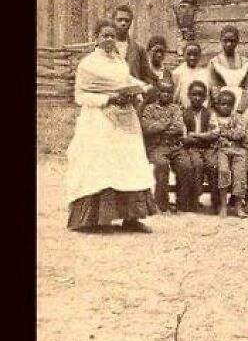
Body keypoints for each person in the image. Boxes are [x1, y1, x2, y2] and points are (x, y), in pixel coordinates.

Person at [64, 18, 156, 233]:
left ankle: (131, 218)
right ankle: (97, 220)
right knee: (102, 165)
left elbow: (127, 82)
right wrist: (108, 99)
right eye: (104, 35)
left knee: (131, 164)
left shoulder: (119, 62)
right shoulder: (88, 64)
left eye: (112, 36)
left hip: (125, 119)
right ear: (96, 38)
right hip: (99, 120)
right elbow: (80, 95)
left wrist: (140, 91)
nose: (108, 39)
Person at [140, 79, 186, 212]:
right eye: (163, 91)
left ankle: (182, 203)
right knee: (162, 165)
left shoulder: (175, 108)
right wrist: (166, 124)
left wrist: (159, 126)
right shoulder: (149, 109)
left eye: (169, 92)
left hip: (174, 146)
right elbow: (147, 127)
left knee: (185, 165)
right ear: (158, 92)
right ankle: (162, 203)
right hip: (157, 146)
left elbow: (178, 127)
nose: (166, 94)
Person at [172, 80, 218, 213]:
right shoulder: (183, 113)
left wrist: (196, 136)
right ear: (188, 95)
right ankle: (193, 199)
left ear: (205, 97)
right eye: (194, 94)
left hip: (208, 148)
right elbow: (185, 138)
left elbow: (215, 134)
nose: (197, 98)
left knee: (214, 165)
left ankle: (217, 202)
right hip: (190, 149)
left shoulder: (210, 113)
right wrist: (204, 136)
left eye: (200, 95)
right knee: (197, 165)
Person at [211, 87, 248, 219]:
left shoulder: (238, 118)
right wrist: (225, 135)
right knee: (223, 172)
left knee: (240, 175)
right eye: (222, 104)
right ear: (217, 104)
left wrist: (224, 133)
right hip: (222, 150)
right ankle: (223, 206)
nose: (225, 107)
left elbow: (240, 134)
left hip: (238, 150)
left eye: (229, 105)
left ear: (233, 106)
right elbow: (214, 134)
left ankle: (238, 206)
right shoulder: (214, 118)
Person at [209, 25, 248, 111]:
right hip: (222, 106)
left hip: (241, 105)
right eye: (226, 41)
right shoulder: (215, 62)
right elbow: (214, 89)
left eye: (232, 41)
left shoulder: (245, 62)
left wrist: (240, 108)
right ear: (220, 40)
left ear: (237, 41)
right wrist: (222, 109)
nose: (229, 44)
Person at [111, 4, 150, 82]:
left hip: (133, 92)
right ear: (113, 21)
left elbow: (145, 76)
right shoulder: (106, 47)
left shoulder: (139, 50)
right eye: (119, 20)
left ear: (131, 23)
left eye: (126, 20)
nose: (123, 23)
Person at [172, 42, 210, 109]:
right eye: (189, 54)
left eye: (195, 54)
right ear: (184, 54)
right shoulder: (177, 73)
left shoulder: (205, 73)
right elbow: (174, 96)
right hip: (183, 111)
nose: (192, 57)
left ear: (200, 55)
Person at [142, 35, 174, 105]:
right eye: (156, 51)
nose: (159, 55)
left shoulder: (167, 73)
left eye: (162, 51)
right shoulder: (142, 71)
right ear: (148, 51)